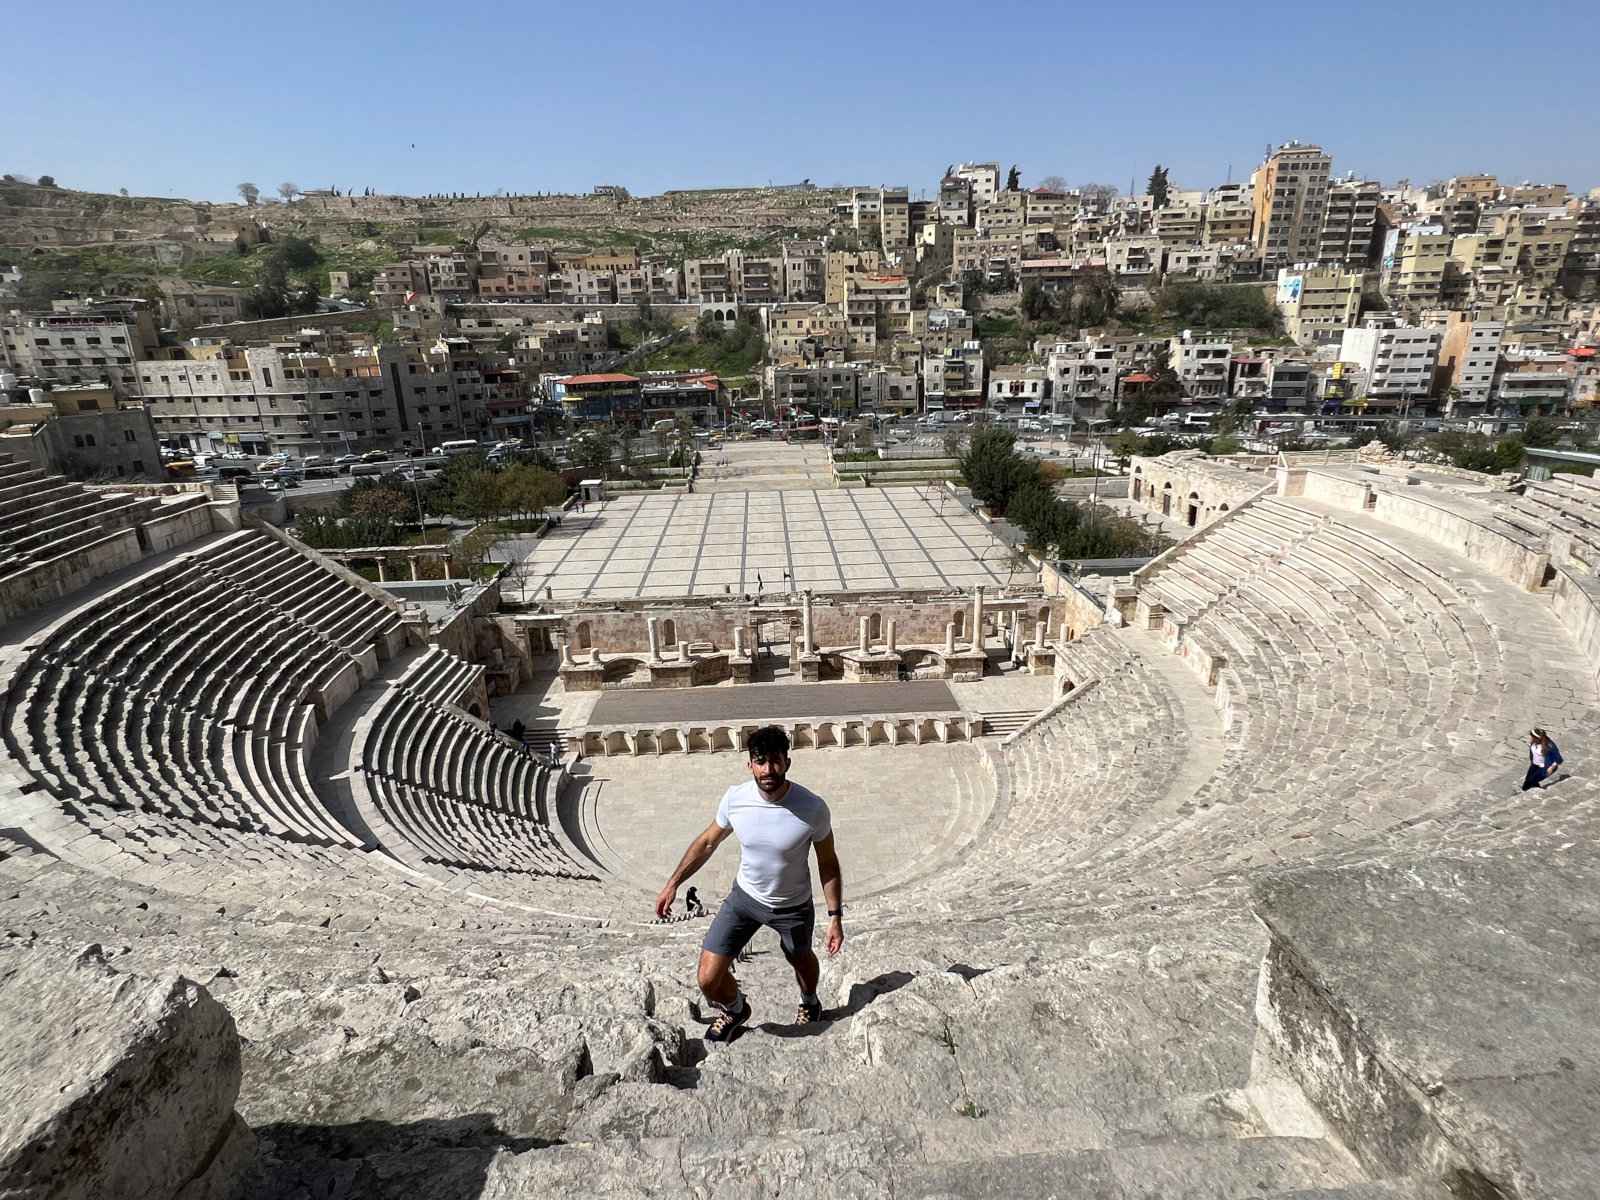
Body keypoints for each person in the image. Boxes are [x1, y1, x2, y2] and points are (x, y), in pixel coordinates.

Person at [655, 725, 844, 1044]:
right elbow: (707, 843)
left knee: (800, 957)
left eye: (775, 761)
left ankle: (810, 1001)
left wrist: (835, 916)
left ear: (787, 762)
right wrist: (673, 883)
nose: (768, 769)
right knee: (707, 978)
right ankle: (735, 1008)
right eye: (760, 761)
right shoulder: (736, 798)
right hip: (744, 899)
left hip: (792, 906)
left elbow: (827, 862)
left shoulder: (812, 808)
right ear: (749, 764)